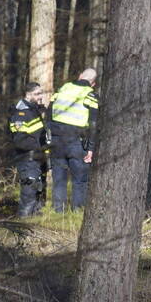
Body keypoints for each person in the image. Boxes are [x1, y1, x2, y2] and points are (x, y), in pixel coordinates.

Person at [48, 68, 99, 211]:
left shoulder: (62, 89)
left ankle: (58, 212)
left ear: (80, 75)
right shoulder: (90, 95)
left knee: (59, 179)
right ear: (93, 83)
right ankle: (77, 211)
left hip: (57, 141)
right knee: (80, 180)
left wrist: (49, 139)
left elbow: (48, 115)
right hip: (76, 142)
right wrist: (91, 148)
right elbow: (94, 124)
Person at [8, 82, 48, 216]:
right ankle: (22, 226)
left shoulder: (34, 110)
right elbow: (20, 141)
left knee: (38, 191)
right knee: (28, 194)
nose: (40, 97)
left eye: (41, 93)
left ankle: (34, 224)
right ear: (28, 94)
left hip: (37, 158)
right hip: (26, 158)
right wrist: (37, 149)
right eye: (37, 94)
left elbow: (39, 134)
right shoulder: (21, 113)